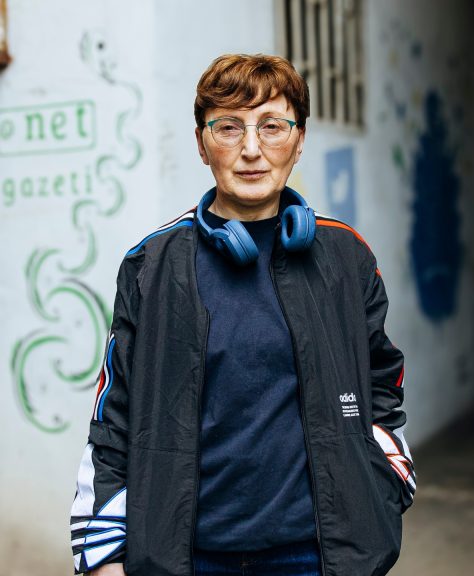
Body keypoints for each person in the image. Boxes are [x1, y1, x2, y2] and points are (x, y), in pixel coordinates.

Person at [70, 54, 415, 576]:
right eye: (229, 127)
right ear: (202, 143)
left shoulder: (347, 257)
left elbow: (383, 385)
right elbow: (112, 417)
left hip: (318, 553)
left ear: (299, 141)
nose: (251, 149)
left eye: (272, 126)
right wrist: (102, 554)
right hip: (186, 554)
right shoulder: (151, 264)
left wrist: (386, 484)